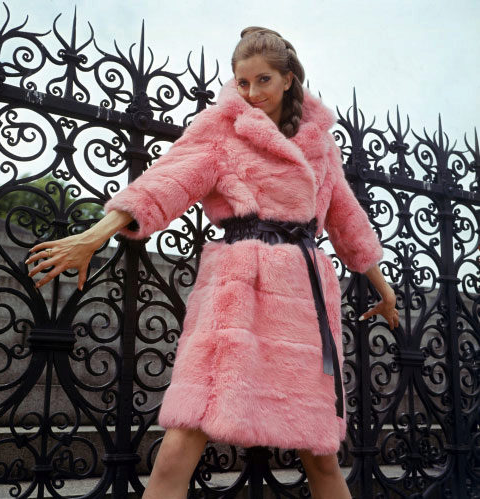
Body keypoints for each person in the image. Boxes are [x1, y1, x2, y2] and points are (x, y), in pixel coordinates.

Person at [25, 27, 399, 499]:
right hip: (238, 289)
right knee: (185, 433)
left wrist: (383, 287)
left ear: (288, 79)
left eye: (263, 80)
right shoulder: (222, 128)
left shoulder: (322, 146)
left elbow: (347, 222)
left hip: (301, 304)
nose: (252, 92)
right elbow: (166, 183)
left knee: (321, 452)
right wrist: (92, 236)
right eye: (242, 82)